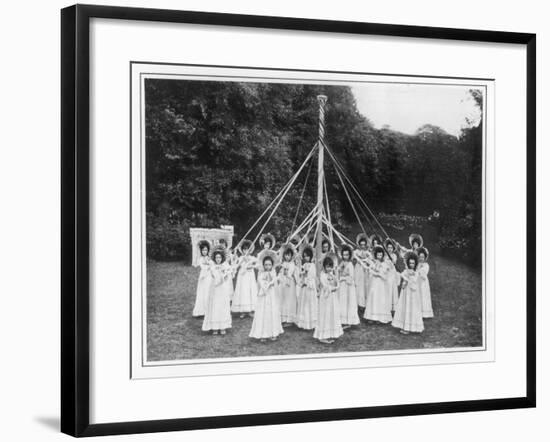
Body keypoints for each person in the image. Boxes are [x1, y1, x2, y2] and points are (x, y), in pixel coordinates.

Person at [249, 251, 284, 342]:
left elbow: (276, 284)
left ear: (272, 265)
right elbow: (262, 284)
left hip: (272, 295)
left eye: (269, 265)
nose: (268, 266)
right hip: (264, 295)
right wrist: (268, 284)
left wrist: (276, 281)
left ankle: (273, 332)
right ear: (263, 265)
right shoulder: (261, 274)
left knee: (272, 312)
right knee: (263, 313)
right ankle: (263, 334)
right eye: (266, 265)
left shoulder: (273, 273)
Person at [202, 246, 232, 335]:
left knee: (222, 305)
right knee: (215, 305)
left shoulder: (225, 266)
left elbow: (227, 276)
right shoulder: (213, 267)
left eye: (219, 257)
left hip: (222, 289)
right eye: (216, 257)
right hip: (215, 288)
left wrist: (224, 274)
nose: (218, 259)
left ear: (222, 258)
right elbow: (213, 276)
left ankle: (222, 326)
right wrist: (218, 273)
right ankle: (214, 327)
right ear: (214, 258)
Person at [314, 255, 343, 344]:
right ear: (324, 267)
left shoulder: (332, 274)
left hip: (332, 297)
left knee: (331, 313)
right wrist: (332, 288)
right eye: (327, 267)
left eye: (331, 267)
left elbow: (336, 282)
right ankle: (322, 336)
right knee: (325, 313)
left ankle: (330, 333)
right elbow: (325, 285)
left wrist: (336, 285)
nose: (329, 269)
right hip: (326, 296)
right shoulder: (322, 275)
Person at [392, 252, 424, 334]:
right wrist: (404, 279)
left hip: (412, 293)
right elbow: (403, 280)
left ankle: (411, 327)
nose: (411, 265)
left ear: (415, 263)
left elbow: (413, 282)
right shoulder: (406, 271)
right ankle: (405, 326)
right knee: (405, 307)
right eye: (410, 263)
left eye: (413, 263)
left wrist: (407, 277)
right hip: (406, 293)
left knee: (411, 308)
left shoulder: (416, 273)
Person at [364, 245, 392, 323]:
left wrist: (379, 273)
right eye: (378, 255)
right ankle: (372, 317)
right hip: (374, 282)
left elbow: (385, 273)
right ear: (375, 255)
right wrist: (373, 271)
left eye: (381, 255)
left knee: (380, 298)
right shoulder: (373, 262)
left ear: (383, 255)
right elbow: (371, 270)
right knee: (373, 297)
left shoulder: (384, 264)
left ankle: (380, 317)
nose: (379, 256)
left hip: (381, 283)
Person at [231, 240, 257, 318]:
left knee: (250, 291)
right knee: (243, 291)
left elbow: (257, 263)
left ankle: (250, 310)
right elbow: (235, 263)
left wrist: (250, 263)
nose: (246, 251)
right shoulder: (241, 257)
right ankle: (243, 310)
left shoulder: (252, 257)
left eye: (247, 249)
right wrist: (236, 254)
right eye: (244, 249)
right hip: (243, 276)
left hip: (250, 276)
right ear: (242, 250)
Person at [295, 245, 318, 330]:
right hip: (304, 287)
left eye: (307, 256)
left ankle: (311, 323)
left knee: (310, 303)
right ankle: (303, 322)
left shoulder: (312, 265)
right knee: (304, 303)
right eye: (304, 256)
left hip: (310, 286)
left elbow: (312, 276)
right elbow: (301, 275)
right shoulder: (304, 265)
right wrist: (302, 275)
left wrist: (306, 276)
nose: (306, 258)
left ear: (311, 256)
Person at [338, 244, 360, 329]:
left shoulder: (350, 264)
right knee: (342, 302)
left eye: (347, 255)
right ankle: (343, 320)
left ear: (349, 255)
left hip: (348, 286)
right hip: (342, 286)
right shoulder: (342, 263)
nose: (345, 256)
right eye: (344, 255)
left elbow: (351, 277)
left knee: (348, 302)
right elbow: (338, 271)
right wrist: (339, 270)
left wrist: (343, 278)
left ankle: (349, 321)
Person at [278, 243, 298, 327]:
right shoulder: (283, 264)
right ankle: (283, 318)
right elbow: (281, 273)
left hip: (290, 284)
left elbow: (291, 273)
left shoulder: (292, 264)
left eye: (288, 255)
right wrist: (281, 274)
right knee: (283, 299)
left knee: (290, 300)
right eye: (286, 255)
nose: (287, 257)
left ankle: (290, 319)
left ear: (291, 256)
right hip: (283, 283)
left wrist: (287, 274)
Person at [192, 240, 212, 317]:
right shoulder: (200, 259)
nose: (204, 251)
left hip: (209, 276)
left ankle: (208, 310)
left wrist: (209, 263)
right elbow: (203, 267)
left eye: (206, 250)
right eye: (203, 250)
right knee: (202, 292)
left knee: (208, 291)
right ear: (201, 251)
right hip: (203, 276)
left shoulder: (209, 258)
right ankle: (201, 311)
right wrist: (207, 264)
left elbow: (211, 265)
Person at [353, 233, 370, 311]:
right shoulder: (356, 251)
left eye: (364, 245)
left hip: (366, 269)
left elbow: (371, 258)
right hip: (359, 269)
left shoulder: (367, 252)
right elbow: (354, 257)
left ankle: (365, 303)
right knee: (359, 285)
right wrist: (360, 260)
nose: (363, 246)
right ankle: (358, 303)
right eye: (361, 245)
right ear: (359, 244)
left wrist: (366, 260)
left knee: (365, 285)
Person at [417, 247, 434, 318]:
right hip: (417, 281)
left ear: (425, 257)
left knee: (423, 295)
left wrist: (419, 270)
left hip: (423, 282)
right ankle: (417, 311)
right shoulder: (417, 264)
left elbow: (423, 273)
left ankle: (424, 313)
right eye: (420, 257)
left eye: (423, 257)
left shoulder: (426, 265)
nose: (421, 258)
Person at [384, 239, 400, 312]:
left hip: (391, 274)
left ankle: (391, 307)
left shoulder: (394, 256)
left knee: (391, 288)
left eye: (391, 248)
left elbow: (392, 264)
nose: (389, 249)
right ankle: (385, 306)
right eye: (388, 247)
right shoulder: (384, 255)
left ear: (393, 248)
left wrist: (390, 262)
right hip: (385, 273)